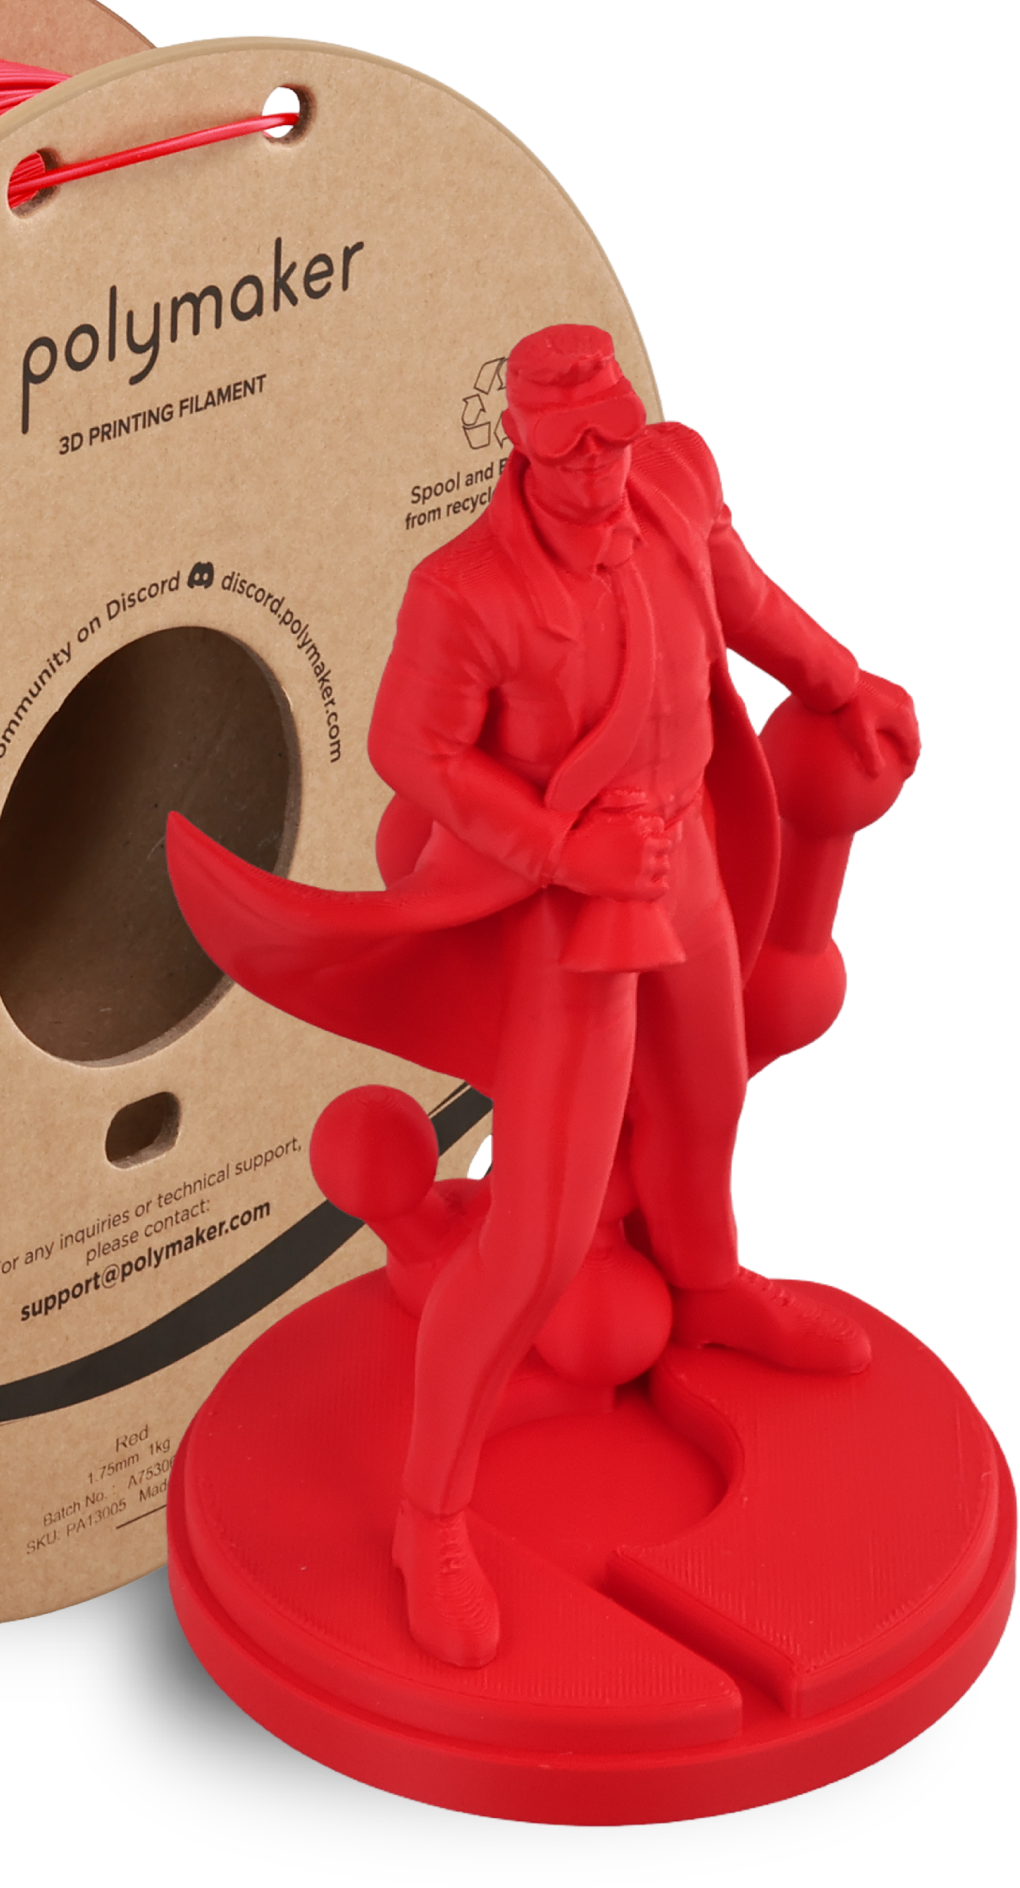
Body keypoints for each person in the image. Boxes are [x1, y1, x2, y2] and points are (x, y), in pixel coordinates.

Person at [165, 324, 920, 1668]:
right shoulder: (467, 593)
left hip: (685, 857)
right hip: (568, 914)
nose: (596, 470)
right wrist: (563, 850)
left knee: (704, 1104)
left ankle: (708, 1286)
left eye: (610, 437)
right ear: (516, 443)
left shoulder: (673, 478)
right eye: (568, 450)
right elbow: (412, 750)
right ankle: (431, 1515)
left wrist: (838, 675)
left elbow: (741, 598)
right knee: (537, 1237)